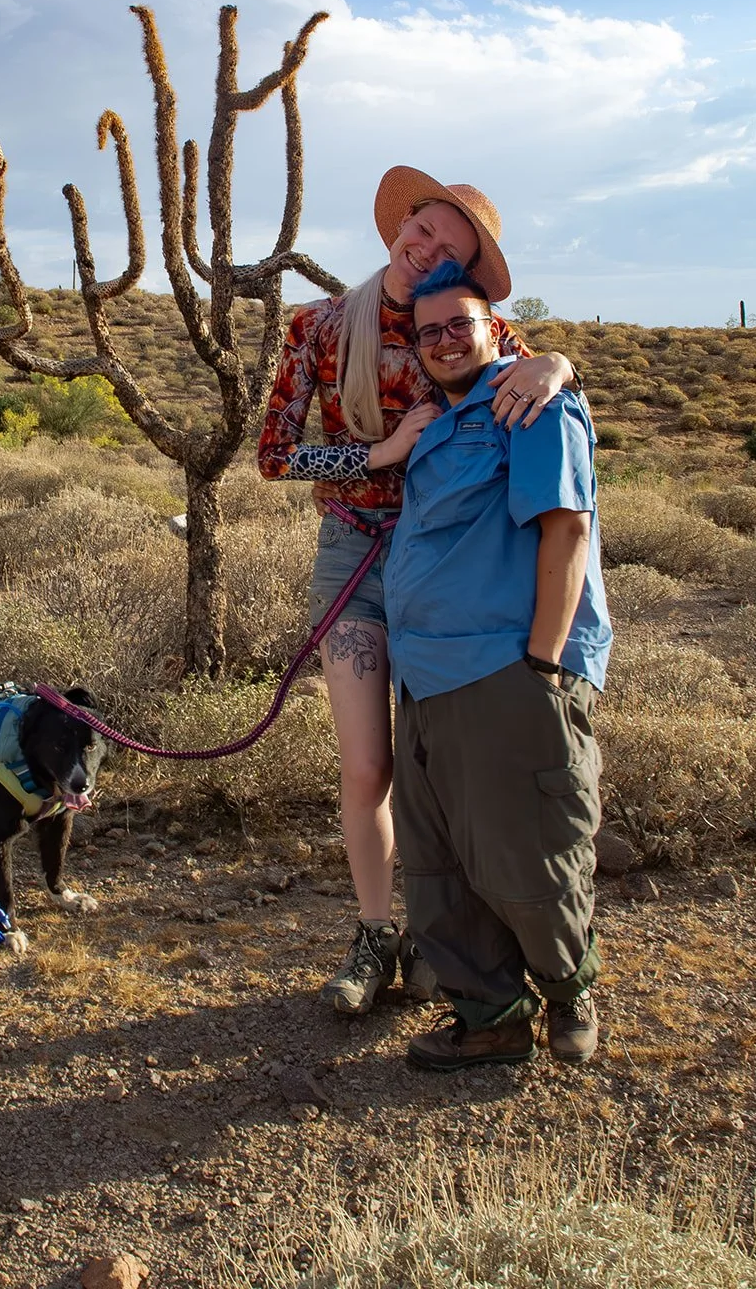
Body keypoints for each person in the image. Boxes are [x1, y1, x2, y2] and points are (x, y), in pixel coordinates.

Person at [258, 166, 579, 1015]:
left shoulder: (476, 331)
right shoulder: (321, 326)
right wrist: (377, 453)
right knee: (368, 764)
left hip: (457, 569)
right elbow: (273, 456)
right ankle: (374, 935)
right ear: (400, 223)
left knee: (443, 769)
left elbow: (542, 389)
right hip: (356, 558)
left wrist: (554, 362)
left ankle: (455, 940)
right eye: (423, 227)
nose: (425, 245)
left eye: (448, 243)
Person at [384, 256, 611, 1069]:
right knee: (439, 863)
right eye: (429, 331)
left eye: (460, 325)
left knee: (530, 852)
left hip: (502, 672)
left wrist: (543, 664)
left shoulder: (532, 403)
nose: (445, 340)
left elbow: (565, 529)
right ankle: (491, 1018)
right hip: (424, 676)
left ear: (494, 330)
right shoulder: (435, 421)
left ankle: (567, 995)